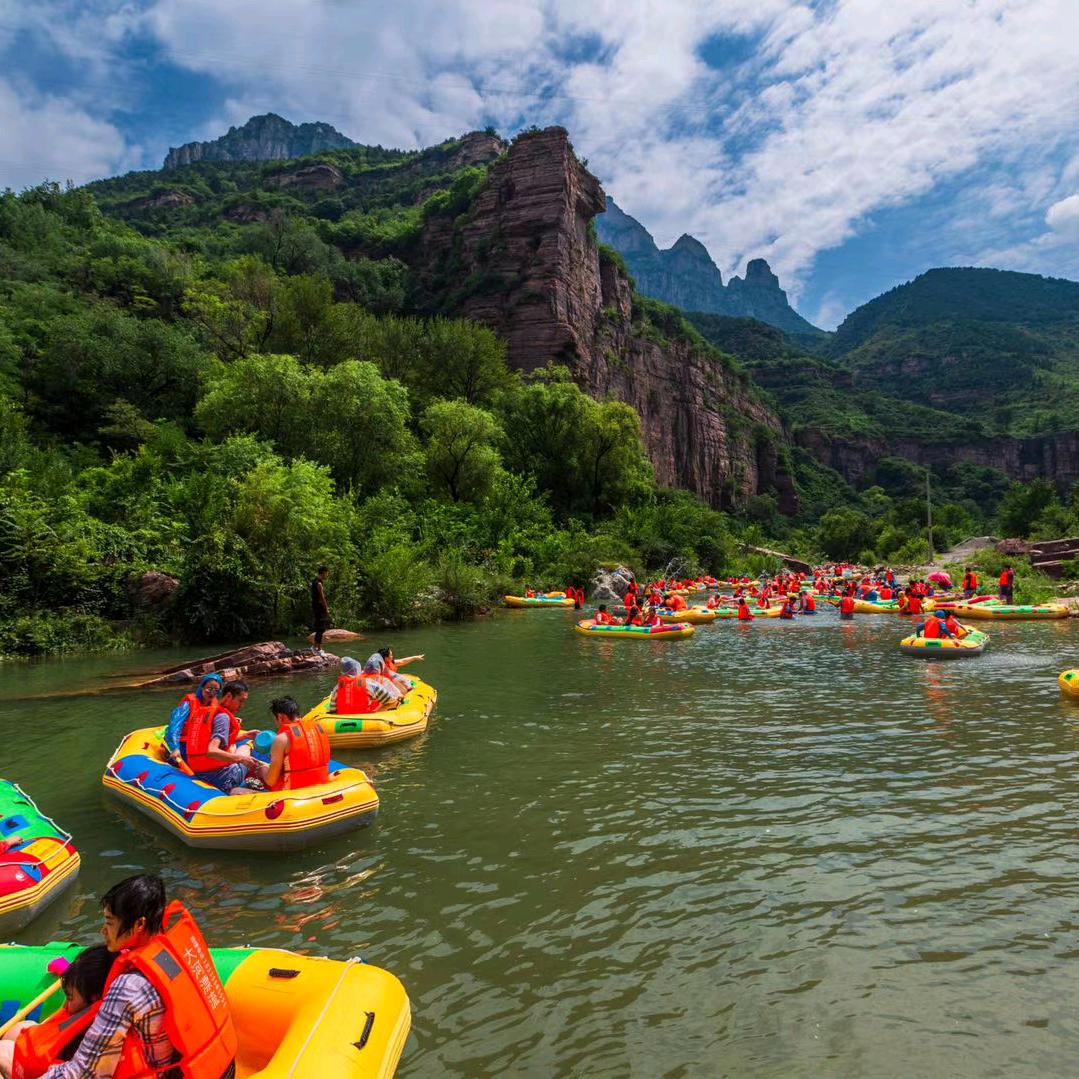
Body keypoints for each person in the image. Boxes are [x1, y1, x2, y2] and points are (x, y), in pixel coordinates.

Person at [2, 874, 236, 1079]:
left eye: (109, 923)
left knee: (5, 1054)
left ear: (139, 925)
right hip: (208, 1069)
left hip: (152, 1072)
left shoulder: (129, 987)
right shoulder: (176, 954)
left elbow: (86, 1072)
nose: (103, 931)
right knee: (23, 1029)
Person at [1, 946, 117, 1076]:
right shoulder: (109, 1002)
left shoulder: (97, 1035)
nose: (66, 1004)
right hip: (53, 1061)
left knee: (3, 1051)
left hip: (58, 1071)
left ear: (94, 997)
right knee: (22, 1027)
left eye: (70, 997)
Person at [181, 679, 259, 796]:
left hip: (199, 772)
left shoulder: (206, 712)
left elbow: (209, 743)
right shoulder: (223, 717)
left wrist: (245, 735)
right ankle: (234, 789)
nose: (242, 706)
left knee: (241, 748)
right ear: (228, 696)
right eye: (240, 701)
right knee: (246, 749)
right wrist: (241, 759)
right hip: (221, 776)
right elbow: (212, 751)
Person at [264, 698, 331, 792]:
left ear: (280, 717)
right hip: (323, 784)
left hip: (295, 792)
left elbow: (270, 781)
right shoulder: (319, 729)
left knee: (238, 790)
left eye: (275, 719)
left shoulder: (282, 739)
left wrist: (259, 769)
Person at [164, 674, 223, 769]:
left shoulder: (214, 705)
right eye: (209, 689)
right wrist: (175, 748)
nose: (212, 693)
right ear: (202, 687)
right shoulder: (188, 705)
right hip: (183, 744)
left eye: (216, 690)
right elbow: (175, 727)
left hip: (199, 744)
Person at [311, 566, 331, 653]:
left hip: (315, 606)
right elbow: (322, 598)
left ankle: (317, 647)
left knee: (320, 627)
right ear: (323, 572)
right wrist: (326, 608)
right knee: (321, 628)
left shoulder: (314, 581)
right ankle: (317, 648)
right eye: (327, 573)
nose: (327, 575)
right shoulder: (319, 584)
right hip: (319, 607)